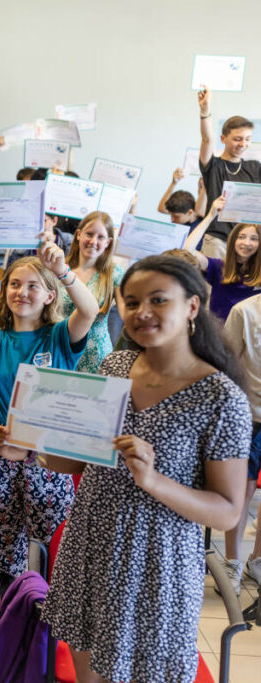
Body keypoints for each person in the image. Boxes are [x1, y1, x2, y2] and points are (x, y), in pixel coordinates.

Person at [32, 255, 251, 683]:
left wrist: (153, 481)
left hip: (156, 561)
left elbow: (227, 510)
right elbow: (76, 459)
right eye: (131, 302)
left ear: (192, 306)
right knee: (87, 674)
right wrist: (36, 444)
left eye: (157, 300)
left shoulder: (221, 397)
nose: (141, 312)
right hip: (90, 543)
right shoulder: (114, 367)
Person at [0, 234, 98, 586]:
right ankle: (11, 615)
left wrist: (63, 271)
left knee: (56, 539)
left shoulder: (58, 336)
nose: (21, 292)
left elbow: (89, 311)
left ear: (49, 296)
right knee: (2, 546)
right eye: (14, 284)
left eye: (32, 286)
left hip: (48, 456)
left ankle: (54, 613)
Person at [220, 292, 261, 592]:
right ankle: (232, 563)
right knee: (242, 490)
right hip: (250, 414)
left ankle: (257, 561)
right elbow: (226, 367)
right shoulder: (244, 311)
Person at [197, 86, 261, 259]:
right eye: (237, 139)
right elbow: (206, 139)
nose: (243, 144)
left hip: (249, 243)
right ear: (223, 139)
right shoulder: (214, 165)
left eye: (248, 139)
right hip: (218, 241)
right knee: (214, 285)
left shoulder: (254, 167)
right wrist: (205, 111)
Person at [60, 212, 124, 372]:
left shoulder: (114, 274)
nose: (93, 241)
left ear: (108, 242)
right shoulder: (60, 268)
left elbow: (127, 314)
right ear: (78, 235)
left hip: (95, 356)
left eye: (101, 237)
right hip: (59, 348)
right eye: (89, 234)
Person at [184, 198, 259, 322]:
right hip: (219, 337)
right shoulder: (219, 267)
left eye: (254, 239)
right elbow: (188, 251)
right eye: (241, 237)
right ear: (233, 241)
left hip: (248, 338)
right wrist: (211, 215)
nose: (246, 243)